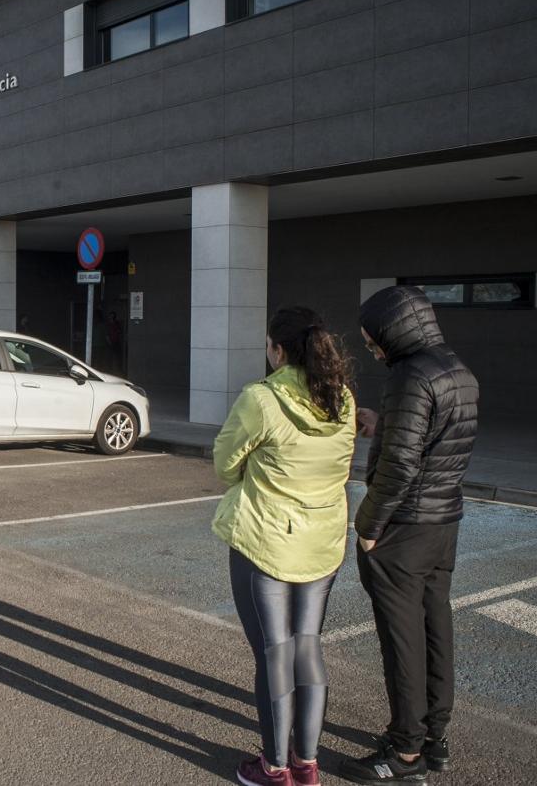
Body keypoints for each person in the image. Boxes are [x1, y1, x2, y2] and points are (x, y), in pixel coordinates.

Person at [340, 286, 478, 785]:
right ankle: (434, 739)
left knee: (402, 642)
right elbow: (435, 441)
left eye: (373, 339)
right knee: (435, 628)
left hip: (404, 529)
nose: (373, 349)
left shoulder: (409, 376)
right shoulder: (457, 370)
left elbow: (400, 465)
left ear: (393, 331)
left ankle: (404, 753)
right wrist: (386, 423)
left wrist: (368, 526)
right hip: (444, 523)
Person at [213, 307, 356, 786]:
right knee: (307, 649)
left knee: (275, 655)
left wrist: (252, 470)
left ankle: (274, 768)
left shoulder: (261, 398)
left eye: (268, 345)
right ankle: (306, 764)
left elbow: (224, 463)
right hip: (322, 543)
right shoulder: (342, 399)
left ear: (277, 350)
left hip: (267, 541)